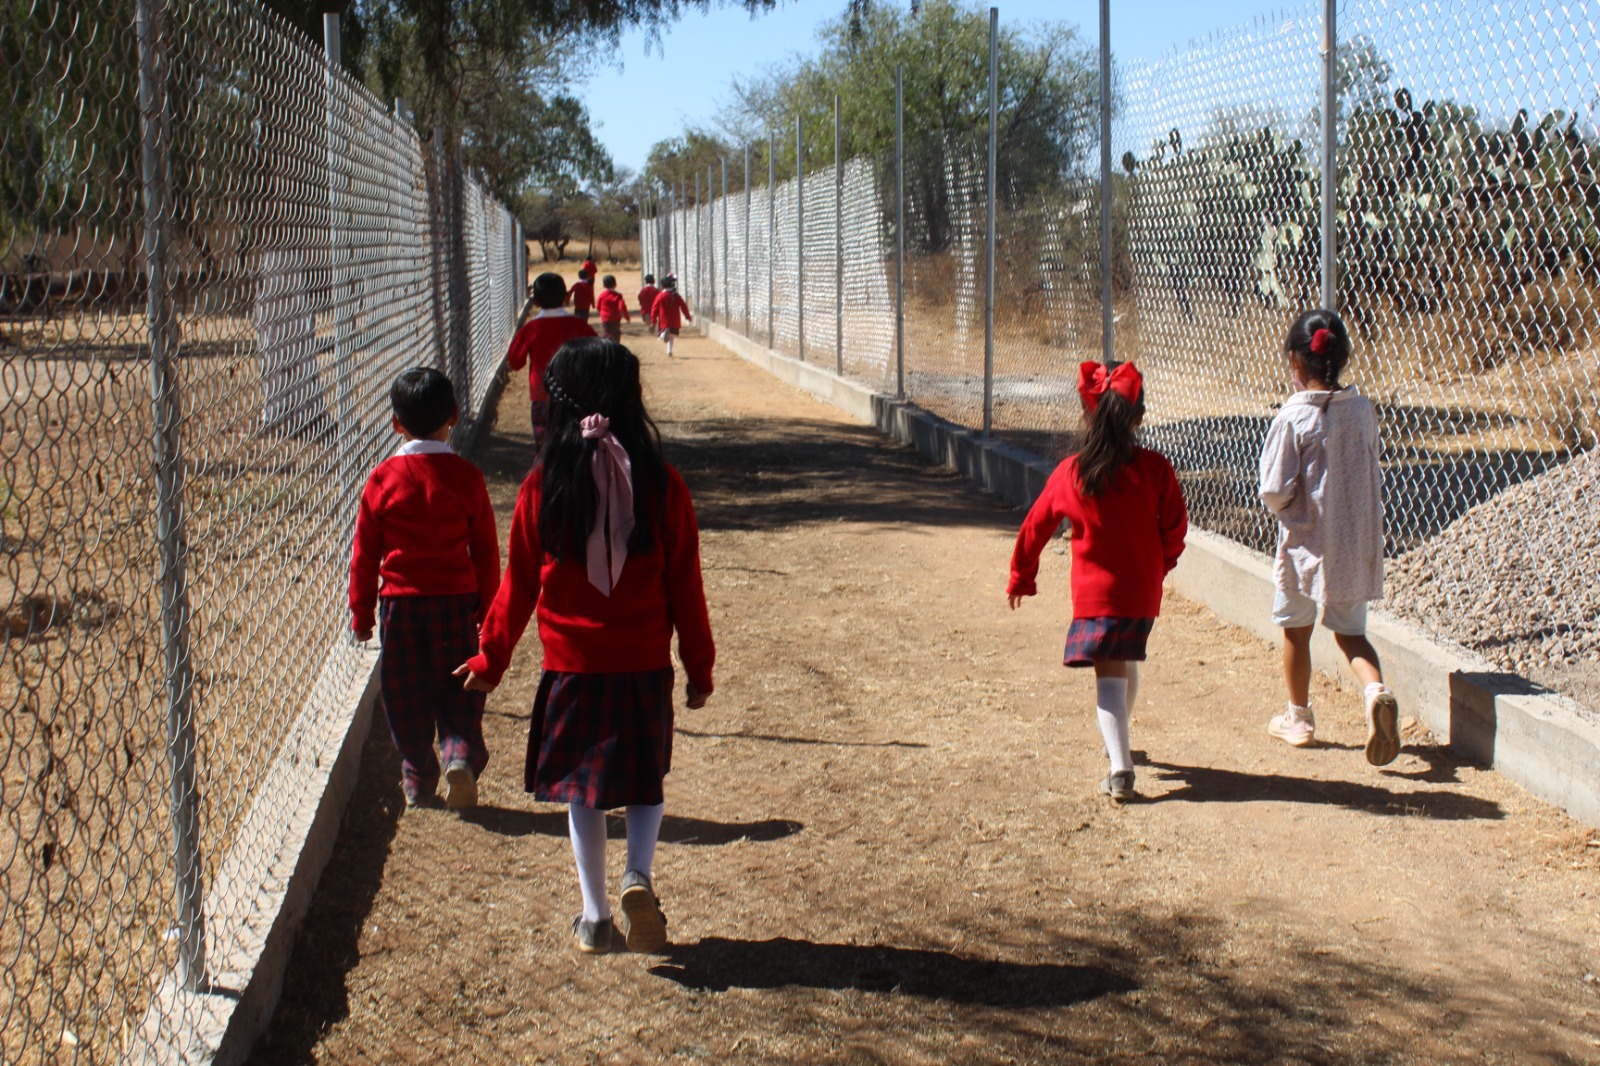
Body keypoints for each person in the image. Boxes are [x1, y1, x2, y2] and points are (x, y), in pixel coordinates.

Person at [456, 339, 715, 955]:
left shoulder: (542, 486)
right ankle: (639, 875)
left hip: (571, 669)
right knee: (645, 780)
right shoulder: (663, 484)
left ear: (558, 403)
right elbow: (686, 585)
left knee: (585, 792)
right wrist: (698, 667)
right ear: (634, 401)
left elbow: (517, 586)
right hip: (644, 662)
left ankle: (596, 916)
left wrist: (491, 660)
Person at [1007, 361, 1187, 801]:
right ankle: (1119, 742)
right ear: (1139, 417)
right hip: (1142, 593)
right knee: (1126, 660)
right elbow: (1177, 528)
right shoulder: (1156, 468)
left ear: (1088, 414)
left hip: (1096, 598)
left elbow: (1035, 526)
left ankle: (1120, 765)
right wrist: (1162, 563)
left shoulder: (1072, 471)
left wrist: (1021, 575)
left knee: (1109, 673)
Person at [349, 367, 500, 809]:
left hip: (400, 609)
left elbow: (364, 555)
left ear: (396, 423)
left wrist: (361, 614)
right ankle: (460, 755)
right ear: (453, 415)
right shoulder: (467, 478)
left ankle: (417, 772)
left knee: (405, 694)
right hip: (456, 607)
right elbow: (486, 554)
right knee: (459, 688)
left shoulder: (381, 479)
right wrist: (488, 612)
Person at [1259, 309, 1399, 765]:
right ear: (1340, 360)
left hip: (1305, 546)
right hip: (1353, 544)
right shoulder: (1363, 410)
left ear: (1296, 365)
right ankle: (1376, 692)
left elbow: (1274, 489)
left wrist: (1287, 509)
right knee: (1351, 635)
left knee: (1296, 633)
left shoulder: (1293, 417)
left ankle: (1298, 718)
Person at [505, 272, 595, 445]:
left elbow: (516, 362)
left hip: (542, 396)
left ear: (536, 301)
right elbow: (596, 360)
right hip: (575, 396)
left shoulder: (531, 329)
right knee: (575, 447)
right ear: (565, 297)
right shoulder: (579, 326)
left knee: (544, 448)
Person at [650, 275, 692, 358]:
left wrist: (653, 320)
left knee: (663, 335)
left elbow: (654, 309)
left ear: (662, 286)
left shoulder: (660, 296)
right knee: (672, 337)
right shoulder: (675, 295)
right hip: (675, 320)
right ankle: (669, 351)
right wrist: (688, 317)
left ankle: (663, 335)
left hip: (664, 320)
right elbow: (684, 306)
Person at [596, 274, 632, 342]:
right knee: (616, 334)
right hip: (616, 319)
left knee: (607, 334)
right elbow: (622, 307)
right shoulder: (618, 296)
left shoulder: (602, 295)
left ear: (604, 285)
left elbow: (598, 307)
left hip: (605, 319)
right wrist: (627, 317)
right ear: (615, 284)